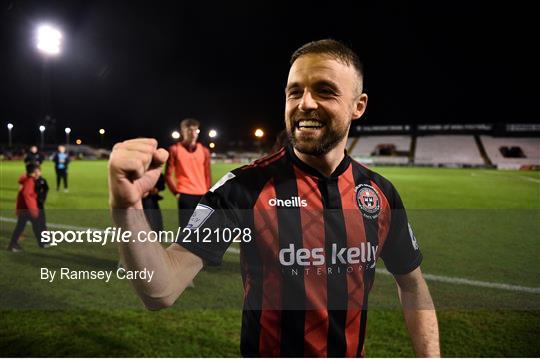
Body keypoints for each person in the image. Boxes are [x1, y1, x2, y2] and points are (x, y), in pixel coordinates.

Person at [108, 39, 440, 357]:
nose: (305, 103)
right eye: (295, 91)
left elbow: (412, 285)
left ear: (358, 106)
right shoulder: (242, 188)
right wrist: (127, 209)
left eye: (324, 90)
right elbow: (161, 290)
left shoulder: (379, 194)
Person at [165, 118, 211, 229]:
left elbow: (207, 174)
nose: (193, 133)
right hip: (185, 194)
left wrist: (208, 192)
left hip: (202, 195)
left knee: (202, 229)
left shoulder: (204, 150)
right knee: (186, 231)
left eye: (196, 130)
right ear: (183, 132)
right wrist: (176, 193)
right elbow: (168, 174)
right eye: (189, 130)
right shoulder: (174, 149)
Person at [8, 163, 48, 251]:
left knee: (23, 226)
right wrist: (34, 210)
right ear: (34, 172)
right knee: (36, 225)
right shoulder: (30, 181)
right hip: (28, 210)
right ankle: (43, 243)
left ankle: (13, 245)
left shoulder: (27, 179)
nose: (39, 173)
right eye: (37, 171)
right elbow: (27, 196)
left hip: (24, 209)